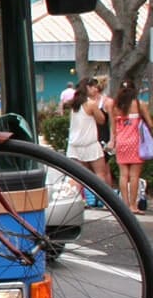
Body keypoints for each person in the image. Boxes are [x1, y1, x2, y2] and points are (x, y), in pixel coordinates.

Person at [108, 79, 153, 214]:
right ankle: (133, 205)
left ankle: (125, 206)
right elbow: (150, 124)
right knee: (134, 176)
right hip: (136, 142)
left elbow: (113, 126)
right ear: (134, 90)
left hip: (121, 142)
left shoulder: (115, 106)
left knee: (123, 175)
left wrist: (113, 141)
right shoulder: (139, 104)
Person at [65, 77, 111, 189]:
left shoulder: (75, 103)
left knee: (79, 176)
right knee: (100, 173)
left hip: (75, 145)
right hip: (90, 143)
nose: (96, 89)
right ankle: (104, 201)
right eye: (94, 87)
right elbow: (102, 120)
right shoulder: (91, 104)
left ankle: (72, 195)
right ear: (87, 87)